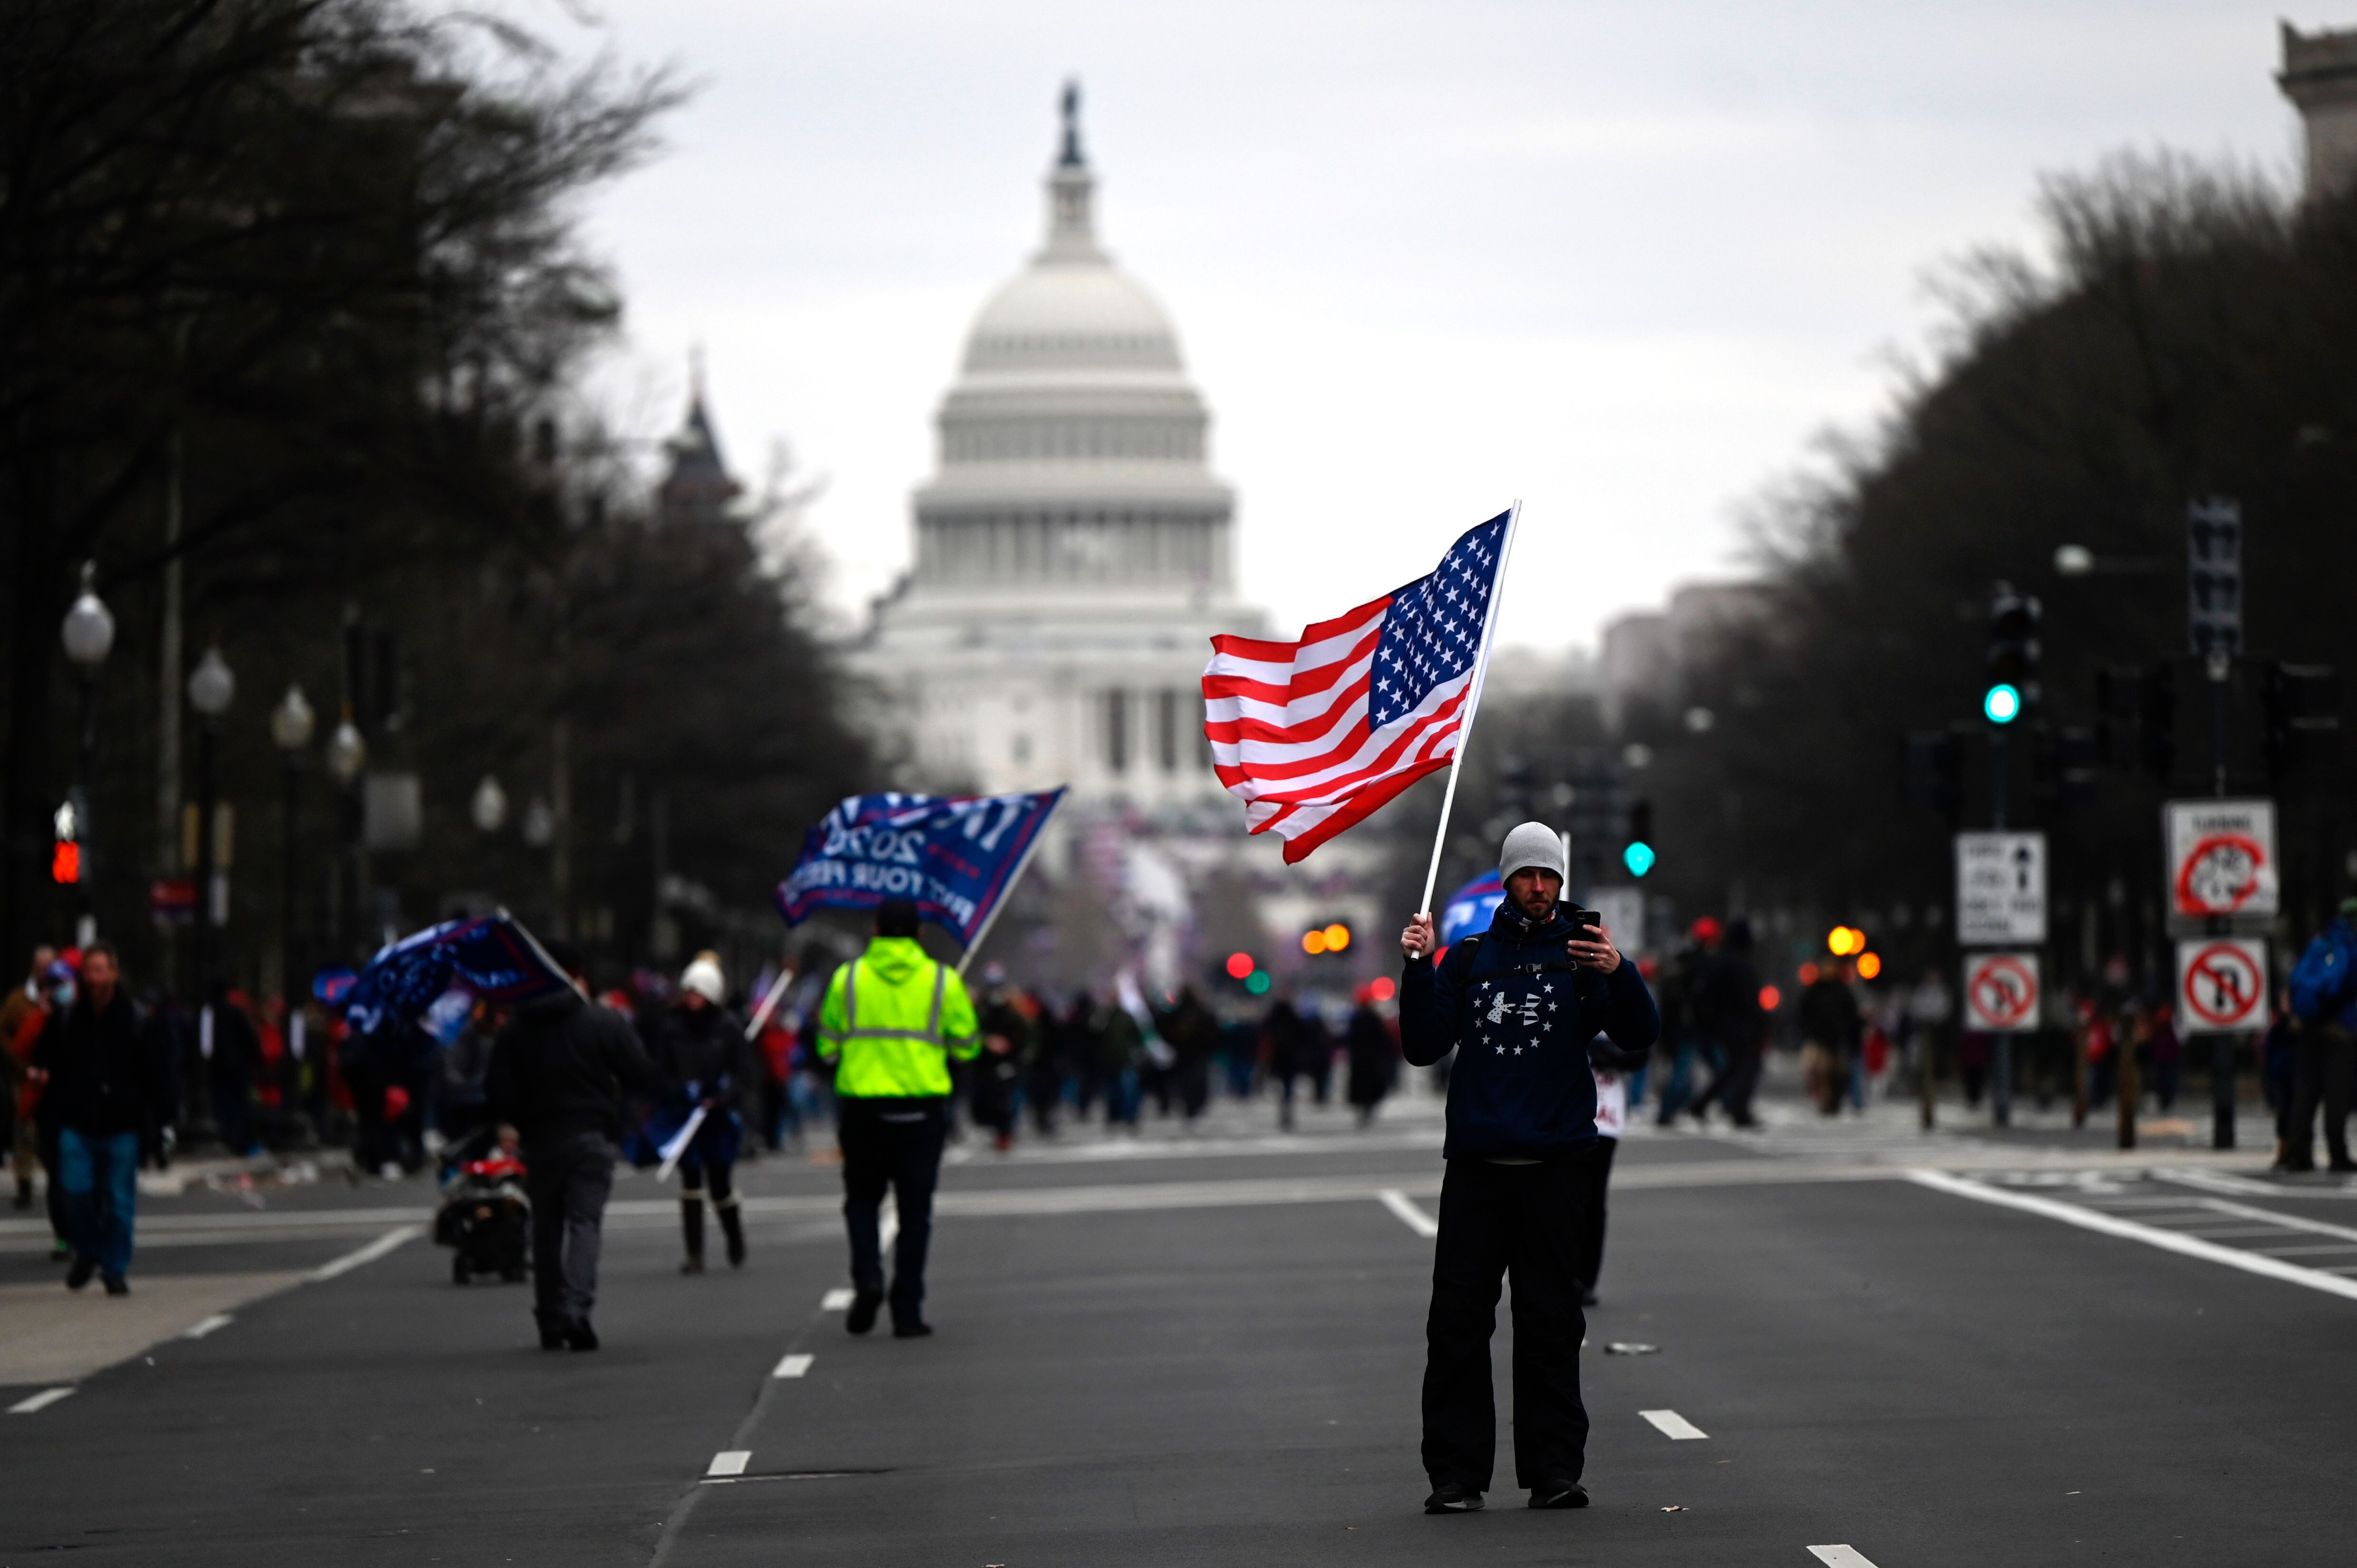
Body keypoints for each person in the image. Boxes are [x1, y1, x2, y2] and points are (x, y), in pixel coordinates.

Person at [1398, 822, 1660, 1514]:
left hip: (1555, 1168)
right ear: (1507, 879)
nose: (1540, 888)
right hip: (1479, 1169)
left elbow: (1640, 1034)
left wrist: (1620, 973)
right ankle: (1456, 1477)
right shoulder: (1471, 957)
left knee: (1550, 1325)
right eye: (1528, 876)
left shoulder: (1581, 956)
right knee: (1457, 1326)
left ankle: (1554, 1473)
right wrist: (1418, 969)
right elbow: (1423, 1045)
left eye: (1550, 876)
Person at [485, 940, 661, 1350]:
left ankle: (549, 1318)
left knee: (546, 1230)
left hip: (541, 1140)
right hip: (590, 1136)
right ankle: (576, 1309)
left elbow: (497, 1091)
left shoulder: (517, 1027)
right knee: (585, 1225)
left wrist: (519, 1119)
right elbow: (640, 1073)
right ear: (577, 973)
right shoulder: (602, 1021)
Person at [817, 899, 978, 1338]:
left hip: (864, 1108)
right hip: (921, 1110)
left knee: (862, 1201)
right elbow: (967, 1046)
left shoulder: (847, 979)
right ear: (919, 934)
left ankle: (868, 1277)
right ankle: (907, 1310)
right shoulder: (943, 981)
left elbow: (826, 1046)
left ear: (875, 929)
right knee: (915, 1212)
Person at [30, 943, 160, 1294]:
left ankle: (114, 1269)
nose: (94, 979)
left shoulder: (135, 1019)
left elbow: (155, 1074)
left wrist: (158, 1123)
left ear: (115, 974)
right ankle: (88, 1251)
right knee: (74, 1194)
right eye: (89, 971)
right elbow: (45, 1054)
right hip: (78, 1121)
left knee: (119, 1202)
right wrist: (40, 1072)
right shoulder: (69, 1017)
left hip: (123, 1125)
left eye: (101, 970)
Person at [658, 955, 751, 1273]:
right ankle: (694, 1252)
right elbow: (662, 1068)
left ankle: (734, 1235)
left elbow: (743, 1073)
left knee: (721, 1183)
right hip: (687, 1113)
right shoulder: (672, 1028)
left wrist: (722, 1099)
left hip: (719, 1117)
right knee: (691, 1182)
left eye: (698, 992)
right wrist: (679, 1092)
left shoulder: (729, 1028)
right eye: (689, 992)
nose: (692, 998)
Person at [2285, 899, 2357, 1173]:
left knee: (2305, 1093)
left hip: (2307, 1029)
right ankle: (2338, 1154)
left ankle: (2298, 1152)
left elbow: (2296, 981)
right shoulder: (2350, 947)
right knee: (2337, 1094)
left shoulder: (2320, 944)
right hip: (2338, 1031)